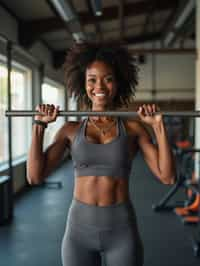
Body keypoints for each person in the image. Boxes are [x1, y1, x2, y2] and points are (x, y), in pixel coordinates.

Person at [27, 42, 176, 266]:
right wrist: (39, 126)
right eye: (92, 79)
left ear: (117, 83)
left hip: (122, 231)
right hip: (78, 233)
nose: (100, 86)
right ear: (83, 84)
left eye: (107, 78)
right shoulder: (70, 130)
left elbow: (168, 177)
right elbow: (34, 176)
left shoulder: (134, 129)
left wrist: (158, 127)